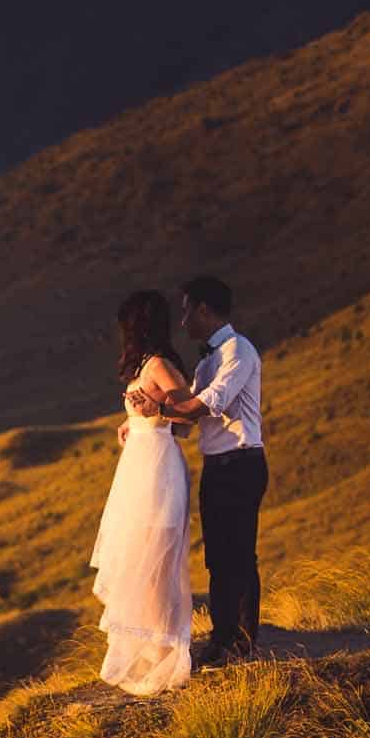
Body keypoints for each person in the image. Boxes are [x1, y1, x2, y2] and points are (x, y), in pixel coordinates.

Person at [129, 276, 266, 664]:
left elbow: (210, 404)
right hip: (216, 465)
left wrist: (160, 410)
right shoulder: (208, 360)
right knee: (218, 557)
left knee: (239, 553)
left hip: (241, 462)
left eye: (188, 309)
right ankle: (222, 637)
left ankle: (242, 642)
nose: (184, 319)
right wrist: (141, 421)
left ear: (205, 309)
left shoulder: (238, 350)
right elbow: (188, 423)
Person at [92, 290, 196, 696]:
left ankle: (165, 654)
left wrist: (158, 417)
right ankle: (155, 651)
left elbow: (191, 415)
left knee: (156, 558)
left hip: (157, 471)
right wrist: (133, 423)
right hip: (140, 466)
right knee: (141, 554)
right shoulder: (146, 366)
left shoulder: (159, 365)